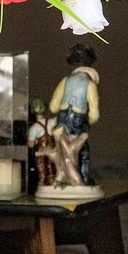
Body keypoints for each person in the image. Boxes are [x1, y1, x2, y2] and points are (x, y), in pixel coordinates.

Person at [47, 44, 100, 186]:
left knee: (61, 149)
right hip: (77, 119)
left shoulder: (65, 81)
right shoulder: (90, 84)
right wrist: (87, 122)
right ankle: (82, 179)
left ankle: (62, 178)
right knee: (82, 150)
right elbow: (94, 114)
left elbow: (53, 107)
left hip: (62, 118)